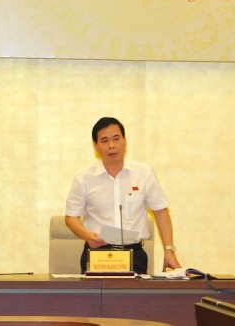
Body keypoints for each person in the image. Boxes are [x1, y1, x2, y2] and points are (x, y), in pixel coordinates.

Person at [65, 117, 181, 274]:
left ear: (125, 141)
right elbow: (71, 217)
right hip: (97, 253)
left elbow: (161, 212)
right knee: (95, 292)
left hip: (133, 254)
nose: (111, 145)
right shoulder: (84, 178)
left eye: (116, 138)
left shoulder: (143, 173)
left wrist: (169, 250)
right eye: (104, 140)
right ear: (95, 146)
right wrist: (87, 236)